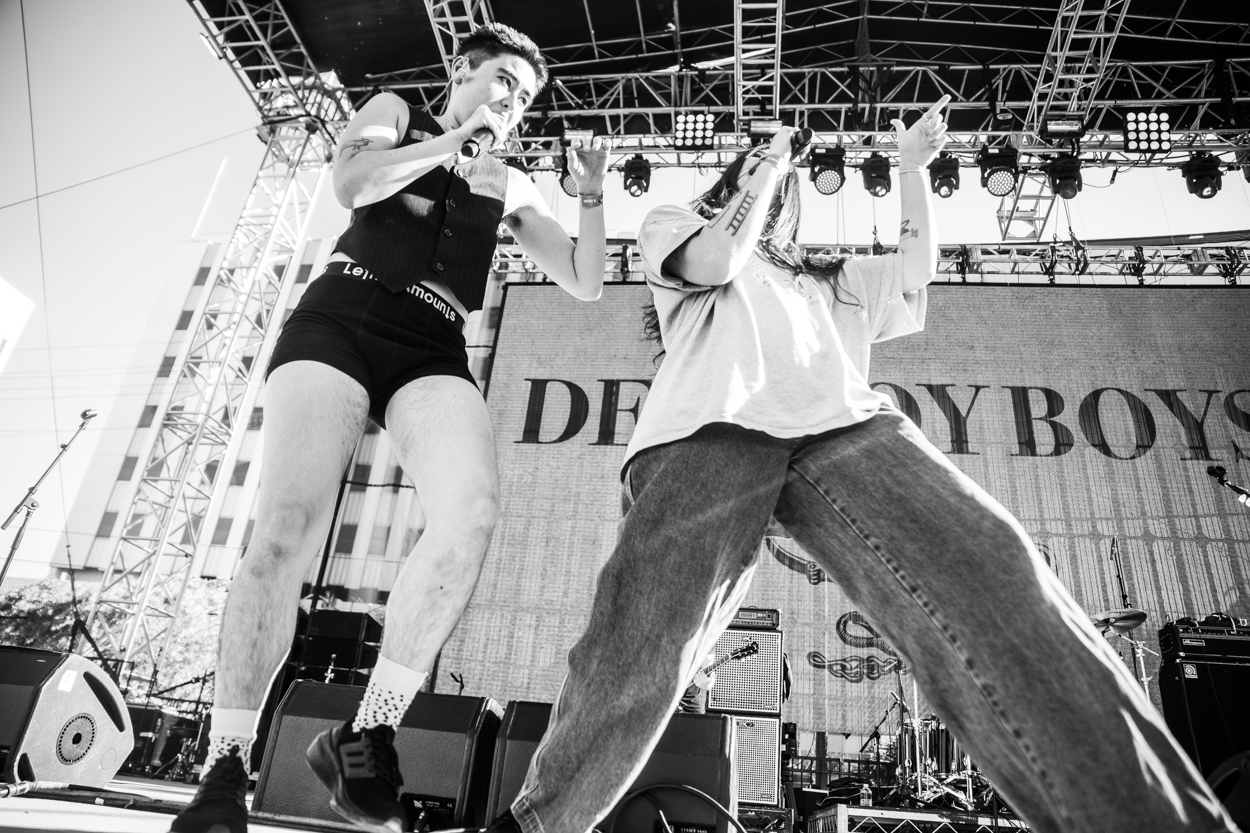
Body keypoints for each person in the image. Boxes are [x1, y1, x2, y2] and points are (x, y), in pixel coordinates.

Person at [494, 96, 1242, 833]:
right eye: (754, 174)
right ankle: (536, 825)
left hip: (841, 424)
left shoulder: (830, 277)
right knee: (646, 643)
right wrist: (767, 162)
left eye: (775, 178)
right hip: (708, 427)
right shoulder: (674, 225)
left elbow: (917, 266)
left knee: (995, 566)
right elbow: (721, 256)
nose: (771, 181)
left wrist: (912, 169)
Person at [170, 23, 610, 833]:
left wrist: (589, 195)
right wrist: (451, 143)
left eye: (525, 98)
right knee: (285, 527)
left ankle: (368, 729)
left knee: (472, 512)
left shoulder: (510, 182)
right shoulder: (397, 112)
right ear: (463, 70)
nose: (513, 104)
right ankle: (225, 768)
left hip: (433, 341)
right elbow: (354, 186)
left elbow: (585, 281)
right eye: (504, 83)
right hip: (342, 313)